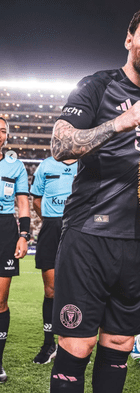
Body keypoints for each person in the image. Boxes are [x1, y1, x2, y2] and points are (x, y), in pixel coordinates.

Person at [48, 5, 140, 393]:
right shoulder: (96, 85)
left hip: (139, 241)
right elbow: (60, 145)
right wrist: (119, 122)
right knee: (76, 343)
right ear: (129, 39)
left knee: (120, 343)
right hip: (89, 234)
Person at [30, 156, 77, 364]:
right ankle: (49, 343)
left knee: (78, 289)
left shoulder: (86, 163)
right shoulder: (46, 164)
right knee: (50, 290)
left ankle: (75, 343)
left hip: (78, 230)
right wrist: (51, 220)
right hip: (51, 227)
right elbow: (37, 200)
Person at [0, 118, 30, 383]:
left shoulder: (15, 165)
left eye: (2, 130)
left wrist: (24, 235)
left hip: (5, 229)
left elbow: (22, 202)